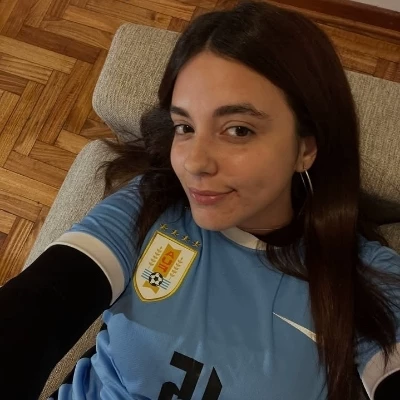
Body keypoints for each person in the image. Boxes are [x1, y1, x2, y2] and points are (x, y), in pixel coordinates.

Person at [0, 1, 399, 399]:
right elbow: (41, 305)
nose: (194, 162)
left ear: (305, 148)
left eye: (238, 130)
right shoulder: (147, 206)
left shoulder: (366, 277)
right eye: (185, 127)